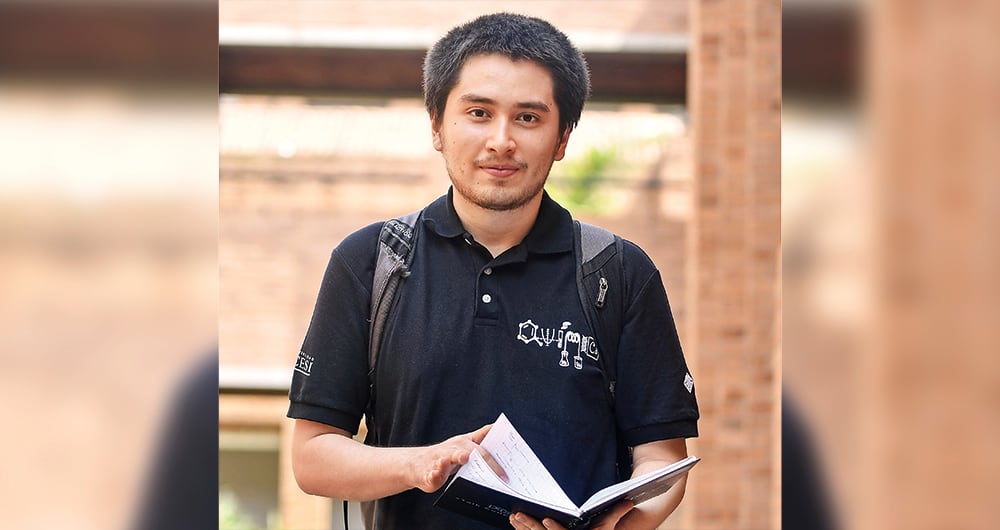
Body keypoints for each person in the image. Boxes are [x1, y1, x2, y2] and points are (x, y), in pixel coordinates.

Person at [287, 12, 699, 530]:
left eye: (528, 118)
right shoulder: (371, 262)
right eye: (479, 113)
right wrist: (423, 463)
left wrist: (621, 527)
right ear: (437, 125)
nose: (501, 140)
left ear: (563, 137)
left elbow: (662, 458)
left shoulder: (618, 273)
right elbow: (313, 455)